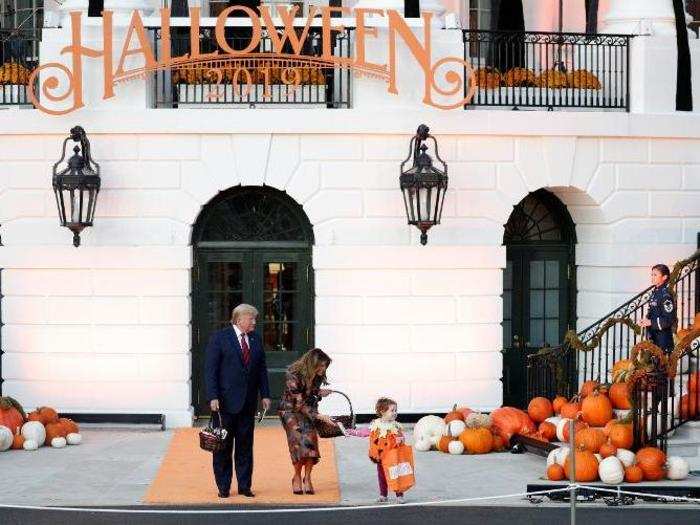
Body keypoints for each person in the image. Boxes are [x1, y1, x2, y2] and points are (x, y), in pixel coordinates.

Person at [205, 303, 271, 499]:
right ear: (240, 319)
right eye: (252, 319)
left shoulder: (255, 339)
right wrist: (212, 396)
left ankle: (244, 486)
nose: (254, 322)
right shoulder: (220, 338)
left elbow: (261, 370)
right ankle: (223, 487)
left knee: (245, 447)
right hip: (224, 403)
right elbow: (210, 370)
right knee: (222, 447)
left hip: (248, 404)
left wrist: (265, 394)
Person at [278, 348, 336, 495]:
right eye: (321, 366)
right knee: (298, 443)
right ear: (312, 364)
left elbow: (309, 391)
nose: (323, 369)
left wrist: (319, 392)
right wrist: (318, 416)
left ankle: (308, 478)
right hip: (289, 411)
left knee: (310, 442)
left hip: (308, 410)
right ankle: (296, 477)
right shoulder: (293, 374)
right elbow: (299, 403)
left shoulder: (317, 375)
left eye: (325, 366)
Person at [368, 397, 407, 504]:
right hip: (381, 456)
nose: (395, 413)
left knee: (396, 475)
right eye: (392, 410)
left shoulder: (395, 426)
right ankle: (383, 494)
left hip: (393, 456)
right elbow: (368, 433)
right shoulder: (376, 424)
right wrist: (353, 432)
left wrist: (401, 439)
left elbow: (402, 438)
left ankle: (399, 495)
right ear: (382, 412)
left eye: (396, 410)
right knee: (382, 476)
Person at [640, 264, 677, 354]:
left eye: (655, 275)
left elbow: (669, 319)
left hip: (663, 342)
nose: (652, 277)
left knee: (662, 367)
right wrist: (646, 320)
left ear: (664, 277)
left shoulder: (665, 296)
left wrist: (651, 322)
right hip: (654, 339)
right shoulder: (655, 293)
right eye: (652, 275)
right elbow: (653, 313)